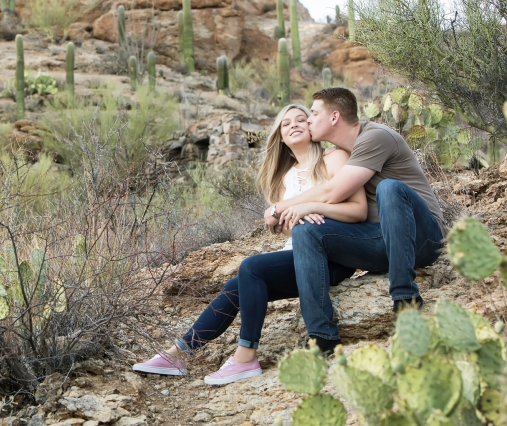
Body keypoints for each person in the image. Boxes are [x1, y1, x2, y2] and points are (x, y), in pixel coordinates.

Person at [133, 104, 367, 385]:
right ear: (280, 136)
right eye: (285, 123)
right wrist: (291, 219)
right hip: (297, 255)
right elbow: (285, 230)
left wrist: (314, 208)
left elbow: (358, 211)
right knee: (236, 286)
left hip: (332, 257)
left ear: (313, 126)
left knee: (251, 268)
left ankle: (246, 356)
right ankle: (178, 353)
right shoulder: (285, 178)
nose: (294, 125)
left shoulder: (336, 159)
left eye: (301, 120)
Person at [266, 88, 446, 353]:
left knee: (389, 189)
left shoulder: (376, 137)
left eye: (314, 114)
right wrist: (301, 214)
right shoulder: (341, 153)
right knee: (306, 231)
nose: (308, 120)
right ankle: (322, 335)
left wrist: (277, 209)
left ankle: (405, 299)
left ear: (334, 117)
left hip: (423, 237)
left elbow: (332, 192)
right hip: (379, 240)